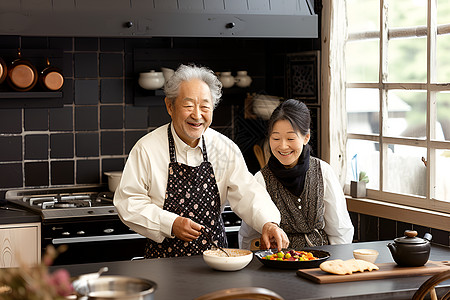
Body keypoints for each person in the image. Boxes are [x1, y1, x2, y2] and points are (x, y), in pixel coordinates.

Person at [113, 64, 289, 258]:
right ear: (170, 106)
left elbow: (248, 192)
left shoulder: (224, 148)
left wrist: (269, 222)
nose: (197, 115)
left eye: (205, 106)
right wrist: (170, 223)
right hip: (163, 263)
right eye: (188, 106)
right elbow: (128, 203)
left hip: (217, 259)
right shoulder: (147, 148)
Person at [239, 99, 354, 250]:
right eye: (276, 138)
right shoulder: (261, 180)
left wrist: (335, 264)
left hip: (321, 263)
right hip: (277, 264)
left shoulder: (323, 173)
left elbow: (340, 231)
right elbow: (248, 237)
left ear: (306, 137)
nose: (283, 146)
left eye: (290, 138)